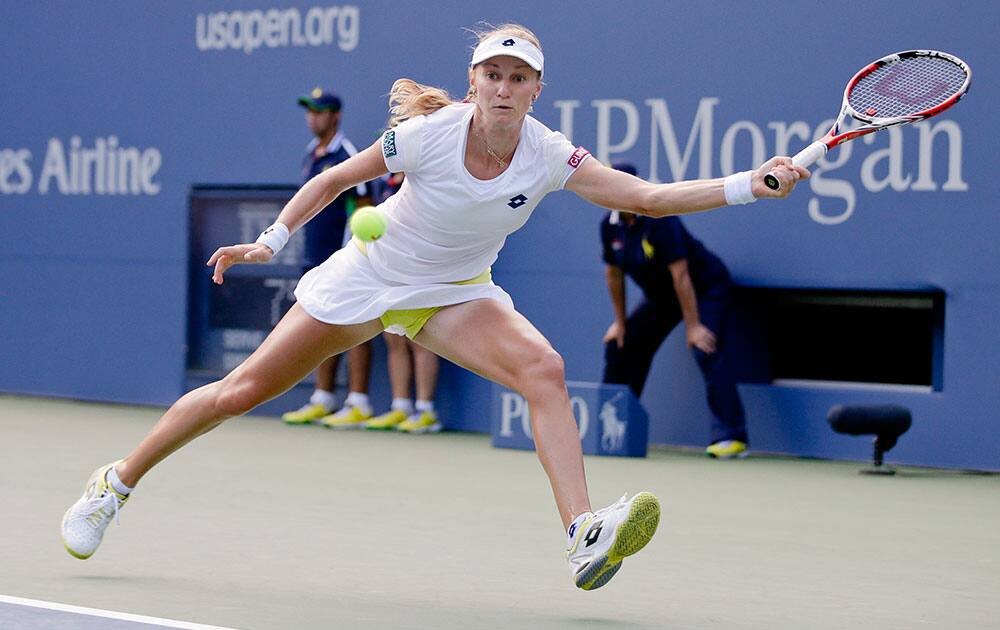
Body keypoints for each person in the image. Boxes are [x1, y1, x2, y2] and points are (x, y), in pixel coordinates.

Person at [61, 24, 808, 590]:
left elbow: (647, 198)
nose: (506, 87)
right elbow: (330, 182)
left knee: (544, 368)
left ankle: (582, 531)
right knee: (243, 391)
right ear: (473, 82)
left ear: (537, 90)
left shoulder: (552, 154)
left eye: (520, 77)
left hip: (455, 293)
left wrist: (750, 184)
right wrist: (269, 240)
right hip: (367, 276)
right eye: (493, 74)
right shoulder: (426, 135)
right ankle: (115, 483)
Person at [600, 162, 749, 459]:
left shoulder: (658, 219)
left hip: (705, 285)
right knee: (621, 345)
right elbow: (613, 275)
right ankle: (613, 430)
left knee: (704, 347)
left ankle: (732, 438)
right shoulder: (609, 225)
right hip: (662, 296)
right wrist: (620, 323)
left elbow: (681, 275)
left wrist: (693, 326)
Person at [280, 87, 376, 428]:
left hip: (345, 256)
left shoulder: (347, 154)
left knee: (354, 324)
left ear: (335, 116)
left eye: (319, 111)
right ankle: (322, 397)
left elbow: (364, 207)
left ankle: (359, 401)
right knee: (320, 321)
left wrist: (354, 248)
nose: (312, 117)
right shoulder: (311, 154)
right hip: (314, 254)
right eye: (309, 110)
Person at [362, 173, 444, 434]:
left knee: (421, 338)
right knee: (394, 338)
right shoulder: (385, 181)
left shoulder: (428, 178)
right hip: (393, 270)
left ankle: (425, 410)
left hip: (426, 270)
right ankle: (401, 406)